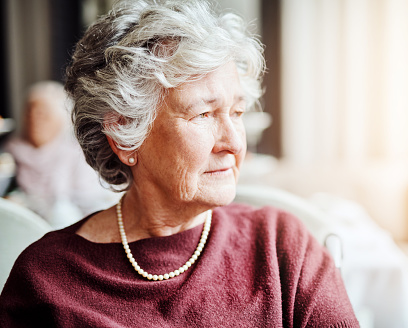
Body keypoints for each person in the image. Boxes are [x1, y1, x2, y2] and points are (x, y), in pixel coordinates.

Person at [0, 1, 360, 326]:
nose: (234, 143)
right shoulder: (45, 279)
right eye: (203, 114)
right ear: (125, 132)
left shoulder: (283, 247)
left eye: (237, 112)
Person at [3, 81, 117, 228]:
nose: (34, 120)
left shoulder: (78, 154)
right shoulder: (10, 150)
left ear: (61, 119)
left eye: (42, 114)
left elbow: (93, 206)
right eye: (29, 112)